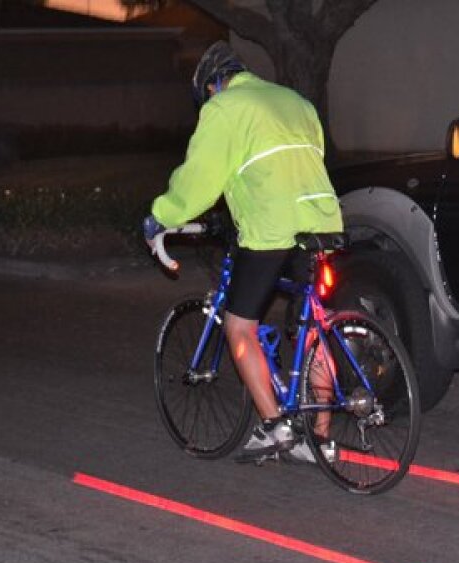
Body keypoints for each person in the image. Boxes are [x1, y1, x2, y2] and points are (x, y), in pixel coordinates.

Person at [143, 41, 343, 461]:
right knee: (312, 329)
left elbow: (199, 179)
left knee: (239, 328)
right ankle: (322, 440)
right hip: (321, 220)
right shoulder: (294, 100)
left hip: (271, 228)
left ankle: (276, 427)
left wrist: (162, 215)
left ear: (213, 87)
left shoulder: (225, 108)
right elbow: (300, 161)